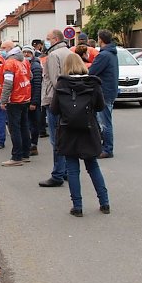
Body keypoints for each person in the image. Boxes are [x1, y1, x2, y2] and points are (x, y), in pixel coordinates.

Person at [50, 53, 110, 217]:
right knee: (93, 167)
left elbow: (54, 109)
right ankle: (104, 203)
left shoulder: (62, 83)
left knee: (72, 169)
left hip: (68, 130)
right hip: (88, 129)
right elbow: (100, 106)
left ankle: (77, 207)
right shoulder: (93, 83)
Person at [39, 29, 71, 186]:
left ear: (56, 39)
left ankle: (58, 174)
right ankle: (65, 171)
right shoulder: (70, 53)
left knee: (56, 140)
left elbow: (55, 80)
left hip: (54, 100)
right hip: (68, 100)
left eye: (48, 38)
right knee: (64, 138)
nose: (46, 41)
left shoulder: (53, 55)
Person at [88, 29, 119, 159]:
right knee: (105, 121)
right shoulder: (111, 53)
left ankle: (107, 149)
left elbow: (92, 72)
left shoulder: (104, 55)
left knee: (105, 123)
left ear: (100, 39)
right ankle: (104, 147)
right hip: (110, 91)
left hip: (104, 92)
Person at [0, 47, 32, 166]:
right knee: (24, 126)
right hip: (25, 97)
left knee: (15, 129)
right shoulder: (24, 61)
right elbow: (30, 76)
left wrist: (3, 100)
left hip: (14, 99)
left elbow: (8, 83)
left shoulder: (9, 63)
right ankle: (25, 154)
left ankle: (16, 157)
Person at [23, 45, 43, 155]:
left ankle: (33, 145)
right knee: (27, 124)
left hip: (33, 100)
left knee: (33, 124)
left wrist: (34, 102)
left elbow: (37, 85)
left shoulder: (35, 66)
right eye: (24, 52)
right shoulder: (24, 65)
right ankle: (28, 145)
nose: (26, 54)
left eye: (28, 52)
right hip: (25, 99)